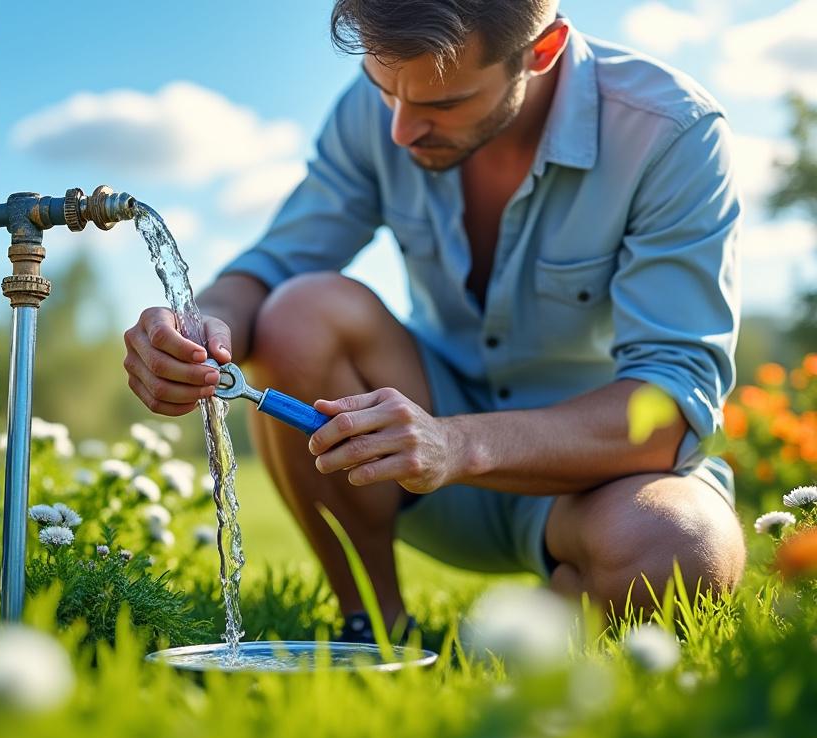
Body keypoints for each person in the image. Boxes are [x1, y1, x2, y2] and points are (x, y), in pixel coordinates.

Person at [121, 0, 745, 642]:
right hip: (413, 456)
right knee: (300, 310)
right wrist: (195, 330)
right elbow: (272, 268)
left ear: (542, 50)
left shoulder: (671, 131)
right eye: (382, 89)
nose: (399, 130)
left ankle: (517, 650)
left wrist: (457, 442)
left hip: (597, 476)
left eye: (444, 105)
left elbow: (670, 409)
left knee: (682, 547)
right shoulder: (391, 104)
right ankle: (373, 631)